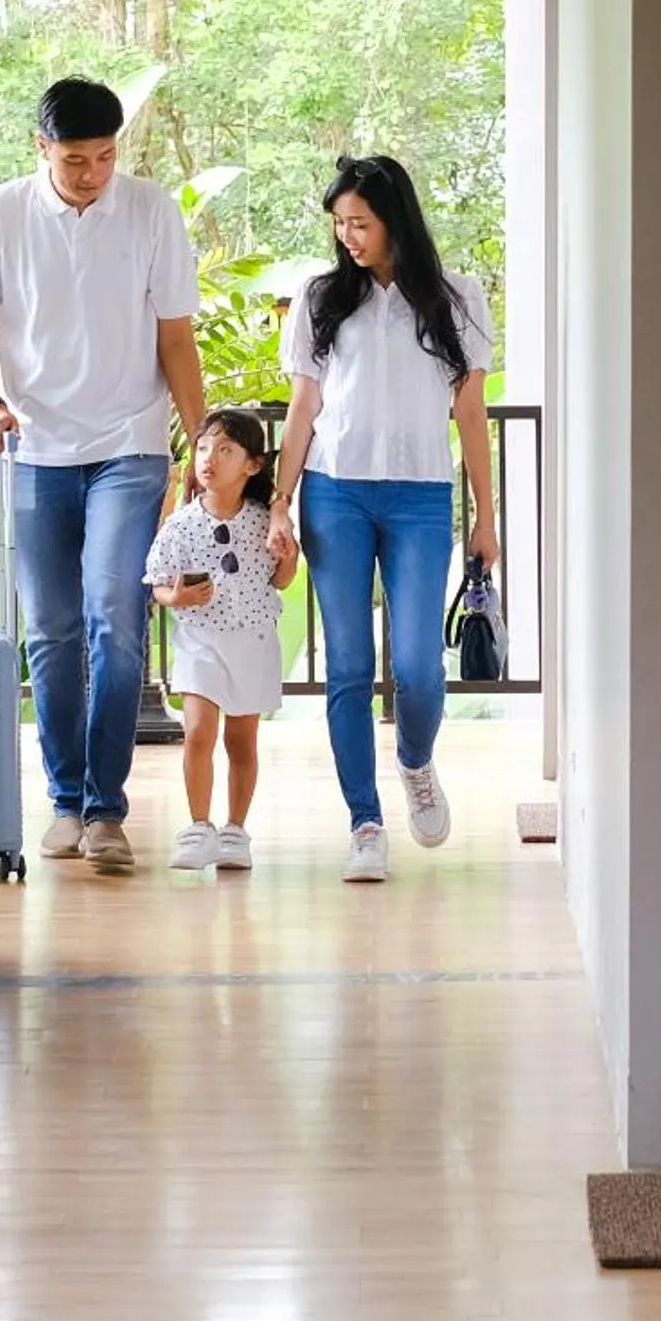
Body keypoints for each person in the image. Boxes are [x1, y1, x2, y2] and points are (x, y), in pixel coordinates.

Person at [0, 76, 205, 875]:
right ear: (41, 148)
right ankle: (64, 800)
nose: (92, 174)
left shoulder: (152, 212)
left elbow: (176, 341)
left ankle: (105, 809)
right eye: (74, 160)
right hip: (35, 448)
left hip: (130, 443)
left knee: (115, 619)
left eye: (104, 157)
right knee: (52, 631)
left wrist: (200, 443)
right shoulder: (0, 215)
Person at [268, 154, 498, 882]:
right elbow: (304, 407)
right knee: (347, 666)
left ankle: (416, 763)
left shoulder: (457, 298)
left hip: (421, 496)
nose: (348, 236)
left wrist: (485, 517)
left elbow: (470, 414)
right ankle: (364, 822)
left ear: (395, 220)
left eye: (360, 223)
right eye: (340, 224)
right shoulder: (320, 298)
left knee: (419, 667)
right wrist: (280, 501)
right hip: (334, 493)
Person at [144, 409, 297, 873]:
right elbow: (158, 584)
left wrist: (288, 557)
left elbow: (281, 579)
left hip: (252, 640)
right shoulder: (181, 524)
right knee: (197, 733)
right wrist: (177, 596)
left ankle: (235, 830)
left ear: (252, 465)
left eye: (225, 450)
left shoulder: (265, 522)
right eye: (204, 448)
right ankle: (198, 826)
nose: (209, 459)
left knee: (241, 740)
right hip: (199, 641)